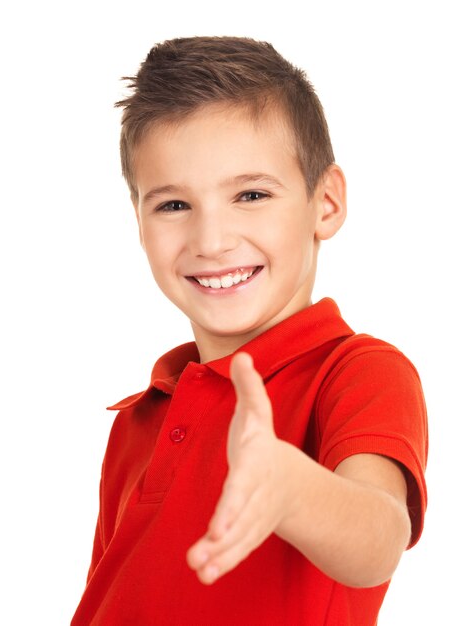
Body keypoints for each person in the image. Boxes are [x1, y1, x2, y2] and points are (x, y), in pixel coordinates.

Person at [71, 36, 427, 625]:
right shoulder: (140, 417)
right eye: (173, 206)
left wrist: (291, 489)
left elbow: (379, 537)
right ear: (138, 221)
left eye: (251, 194)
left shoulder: (360, 371)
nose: (211, 241)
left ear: (326, 203)